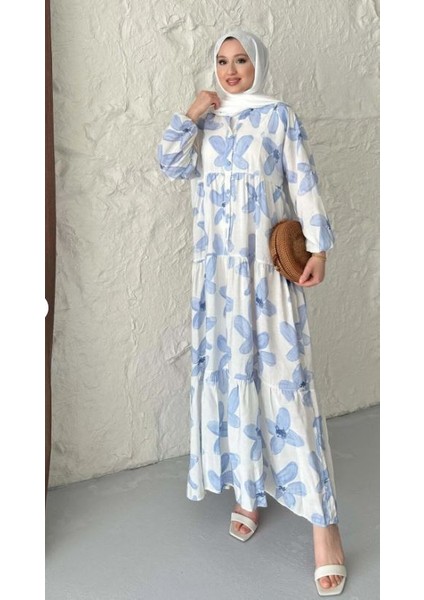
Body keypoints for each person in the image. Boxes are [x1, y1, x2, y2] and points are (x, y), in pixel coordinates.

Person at [156, 29, 347, 596]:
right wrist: (190, 114)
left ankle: (325, 529)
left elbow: (303, 180)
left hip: (265, 277)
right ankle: (247, 490)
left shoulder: (278, 117)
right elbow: (170, 165)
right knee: (232, 379)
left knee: (288, 389)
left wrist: (319, 249)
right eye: (222, 61)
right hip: (217, 283)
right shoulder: (205, 123)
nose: (231, 69)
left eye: (241, 60)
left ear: (257, 64)